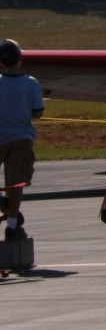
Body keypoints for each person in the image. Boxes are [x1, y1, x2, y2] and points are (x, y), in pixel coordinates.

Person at [0, 41, 43, 245]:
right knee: (16, 184)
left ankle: (3, 203)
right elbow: (38, 112)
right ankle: (12, 225)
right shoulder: (31, 83)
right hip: (21, 138)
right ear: (20, 57)